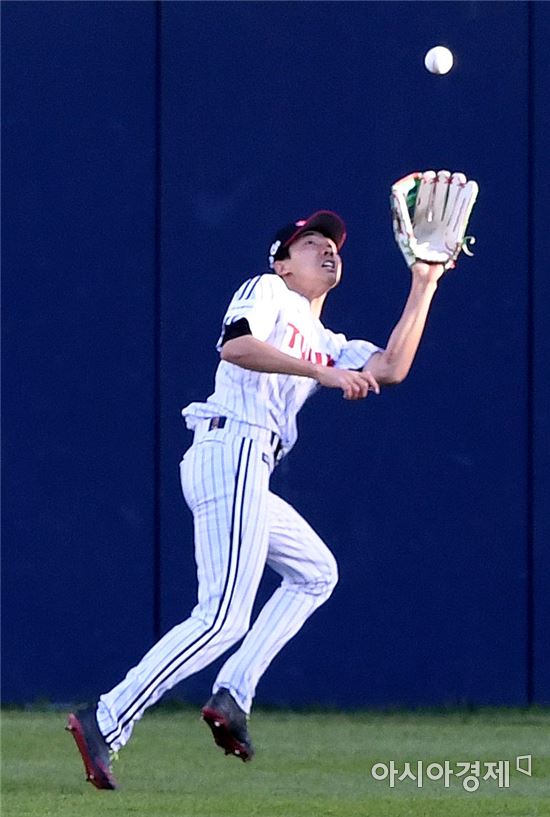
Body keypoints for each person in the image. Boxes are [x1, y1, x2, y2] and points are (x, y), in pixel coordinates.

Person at [67, 210, 445, 790]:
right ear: (282, 260)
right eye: (311, 243)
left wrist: (424, 280)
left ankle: (232, 696)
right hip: (232, 445)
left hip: (249, 465)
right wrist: (322, 375)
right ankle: (107, 718)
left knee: (316, 573)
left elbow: (390, 367)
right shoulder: (267, 289)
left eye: (333, 245)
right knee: (221, 618)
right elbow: (236, 347)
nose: (327, 250)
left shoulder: (327, 341)